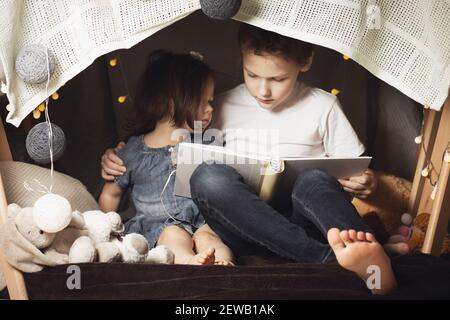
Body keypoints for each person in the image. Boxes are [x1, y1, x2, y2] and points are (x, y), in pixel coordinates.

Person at [101, 26, 404, 294]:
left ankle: (368, 257)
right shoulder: (218, 105)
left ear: (305, 62)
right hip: (241, 227)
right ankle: (331, 259)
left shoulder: (323, 105)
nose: (263, 90)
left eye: (277, 78)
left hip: (304, 220)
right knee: (206, 176)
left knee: (313, 179)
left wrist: (367, 183)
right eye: (252, 75)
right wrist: (117, 156)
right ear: (242, 61)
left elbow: (357, 169)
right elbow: (168, 139)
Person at [99, 50, 234, 266]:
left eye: (211, 102)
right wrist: (102, 228)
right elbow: (111, 195)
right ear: (171, 102)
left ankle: (224, 264)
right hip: (159, 225)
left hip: (201, 221)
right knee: (173, 236)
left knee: (210, 236)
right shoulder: (133, 151)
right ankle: (191, 262)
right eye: (203, 102)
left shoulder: (205, 143)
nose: (210, 109)